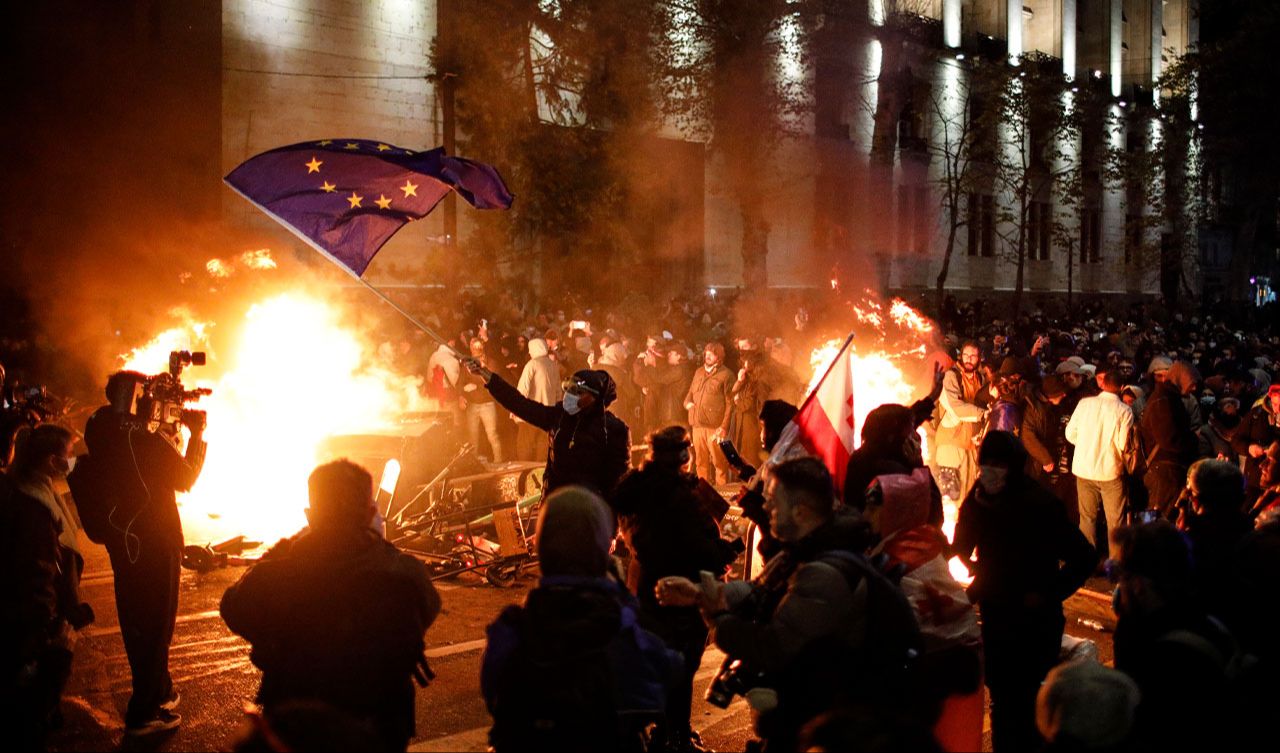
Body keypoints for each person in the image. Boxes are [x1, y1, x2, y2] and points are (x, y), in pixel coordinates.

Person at [657, 457, 918, 752]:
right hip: (809, 715)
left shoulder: (823, 572)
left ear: (801, 512)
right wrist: (698, 592)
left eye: (773, 501)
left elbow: (773, 646)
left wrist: (717, 619)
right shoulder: (802, 550)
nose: (766, 508)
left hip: (828, 725)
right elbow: (758, 591)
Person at [221, 460, 441, 752]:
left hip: (297, 728)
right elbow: (429, 607)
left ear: (310, 516)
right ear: (370, 513)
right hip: (380, 728)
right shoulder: (403, 573)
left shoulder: (277, 576)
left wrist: (283, 550)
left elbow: (234, 608)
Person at [481, 486, 681, 752]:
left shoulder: (512, 629)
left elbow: (492, 692)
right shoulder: (620, 626)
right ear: (599, 549)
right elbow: (662, 680)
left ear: (542, 546)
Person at [951, 431, 1095, 753]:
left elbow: (1083, 557)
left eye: (999, 464)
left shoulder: (1040, 505)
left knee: (1032, 705)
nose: (991, 470)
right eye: (986, 462)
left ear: (1015, 465)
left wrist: (1047, 593)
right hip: (998, 617)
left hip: (1035, 622)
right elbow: (961, 545)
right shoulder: (979, 499)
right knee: (1003, 704)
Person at [81, 371, 207, 735]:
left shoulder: (100, 427)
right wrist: (196, 436)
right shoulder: (142, 439)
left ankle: (160, 689)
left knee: (137, 619)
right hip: (155, 540)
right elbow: (184, 477)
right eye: (148, 395)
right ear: (137, 399)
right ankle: (144, 711)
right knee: (155, 624)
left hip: (124, 539)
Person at [613, 427, 737, 753]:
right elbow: (700, 546)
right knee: (681, 671)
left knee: (661, 664)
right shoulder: (680, 497)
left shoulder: (635, 485)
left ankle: (663, 732)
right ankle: (675, 739)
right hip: (679, 592)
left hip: (644, 586)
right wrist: (728, 551)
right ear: (682, 453)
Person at [1108, 521, 1247, 751]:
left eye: (1118, 575)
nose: (1117, 587)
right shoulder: (1209, 624)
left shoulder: (1162, 657)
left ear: (1139, 584)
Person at [1, 425, 93, 750]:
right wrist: (52, 644)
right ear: (52, 461)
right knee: (28, 717)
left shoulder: (27, 487)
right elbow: (37, 580)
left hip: (30, 629)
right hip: (33, 638)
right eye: (69, 456)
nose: (72, 462)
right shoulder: (35, 510)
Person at [465, 358, 630, 498]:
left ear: (595, 398)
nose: (570, 396)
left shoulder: (615, 430)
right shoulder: (559, 417)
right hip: (555, 506)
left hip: (588, 513)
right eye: (569, 389)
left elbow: (618, 485)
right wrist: (485, 374)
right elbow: (519, 404)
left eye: (577, 392)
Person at [1065, 370, 1134, 561]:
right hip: (1110, 472)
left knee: (1087, 518)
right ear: (1121, 388)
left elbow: (1070, 434)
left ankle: (1086, 562)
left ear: (1102, 385)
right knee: (1115, 521)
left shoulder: (1084, 404)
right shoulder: (1125, 411)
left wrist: (1086, 444)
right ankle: (1116, 563)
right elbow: (1122, 444)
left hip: (1083, 469)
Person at [1139, 360, 1200, 516]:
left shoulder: (1168, 398)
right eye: (1191, 383)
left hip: (1168, 470)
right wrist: (1193, 439)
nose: (1194, 388)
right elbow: (1169, 439)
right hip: (1165, 472)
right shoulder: (1163, 400)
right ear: (1182, 379)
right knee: (1160, 520)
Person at [936, 342, 988, 503]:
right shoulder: (952, 376)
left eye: (973, 356)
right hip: (950, 442)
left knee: (968, 493)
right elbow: (956, 407)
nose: (968, 359)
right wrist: (982, 414)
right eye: (966, 355)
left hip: (970, 445)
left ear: (979, 358)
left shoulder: (980, 378)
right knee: (949, 497)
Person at [683, 342, 734, 485]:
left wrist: (723, 427)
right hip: (697, 426)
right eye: (707, 353)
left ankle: (722, 495)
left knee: (719, 464)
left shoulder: (726, 375)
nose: (708, 356)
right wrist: (687, 403)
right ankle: (703, 495)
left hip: (714, 428)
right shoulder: (698, 372)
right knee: (700, 463)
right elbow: (690, 392)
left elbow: (730, 405)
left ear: (719, 357)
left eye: (713, 354)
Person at [513, 338, 563, 462]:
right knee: (543, 446)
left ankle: (525, 471)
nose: (529, 353)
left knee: (525, 445)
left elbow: (522, 388)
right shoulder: (553, 365)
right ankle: (541, 470)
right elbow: (558, 391)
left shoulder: (532, 364)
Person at [461, 338, 504, 463]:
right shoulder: (467, 364)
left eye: (478, 346)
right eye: (473, 347)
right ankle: (474, 463)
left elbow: (494, 382)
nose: (476, 349)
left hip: (487, 404)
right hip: (472, 405)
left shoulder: (491, 363)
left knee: (492, 434)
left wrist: (477, 387)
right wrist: (462, 395)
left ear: (483, 347)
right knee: (473, 437)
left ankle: (498, 461)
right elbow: (460, 382)